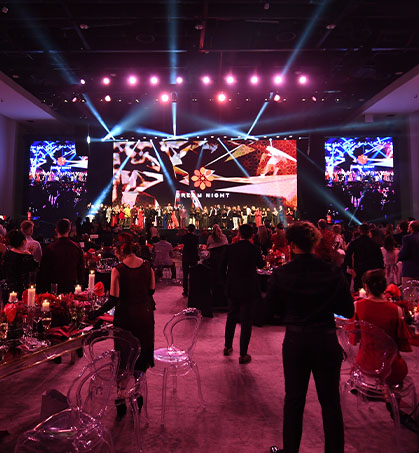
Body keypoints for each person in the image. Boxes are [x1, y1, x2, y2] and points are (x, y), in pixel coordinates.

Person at [267, 221, 354, 453]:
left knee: (294, 400)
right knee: (330, 403)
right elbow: (348, 311)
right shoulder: (333, 272)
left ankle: (290, 450)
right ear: (316, 242)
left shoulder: (282, 273)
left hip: (296, 342)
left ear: (291, 244)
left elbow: (269, 311)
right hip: (326, 341)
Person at [89, 233, 155, 418]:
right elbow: (151, 290)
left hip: (125, 317)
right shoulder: (147, 266)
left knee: (123, 357)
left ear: (120, 251)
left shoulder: (118, 270)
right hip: (145, 317)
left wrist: (96, 313)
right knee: (141, 356)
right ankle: (138, 393)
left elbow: (113, 299)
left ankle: (121, 396)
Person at [351, 269, 411, 385]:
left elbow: (355, 336)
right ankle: (388, 393)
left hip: (365, 363)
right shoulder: (396, 310)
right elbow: (401, 343)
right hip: (390, 366)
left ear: (366, 287)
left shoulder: (357, 306)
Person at [222, 224, 264, 364]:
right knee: (246, 321)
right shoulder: (254, 249)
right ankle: (243, 354)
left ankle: (227, 347)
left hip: (233, 286)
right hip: (249, 288)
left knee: (231, 316)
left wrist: (227, 281)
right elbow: (261, 265)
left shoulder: (230, 248)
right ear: (252, 235)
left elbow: (222, 267)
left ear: (239, 234)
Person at [38, 218, 84, 294]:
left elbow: (44, 271)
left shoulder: (49, 248)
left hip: (54, 287)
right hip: (71, 286)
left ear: (56, 230)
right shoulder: (76, 247)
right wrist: (80, 284)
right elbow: (81, 268)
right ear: (69, 229)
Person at [344, 223, 384, 291]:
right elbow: (379, 256)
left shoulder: (355, 242)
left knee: (359, 286)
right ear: (368, 231)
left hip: (359, 267)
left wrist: (349, 266)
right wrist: (381, 267)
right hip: (371, 267)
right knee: (370, 286)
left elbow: (348, 254)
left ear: (359, 231)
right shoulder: (374, 242)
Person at [1, 229, 38, 299]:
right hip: (23, 292)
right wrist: (30, 254)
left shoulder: (7, 254)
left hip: (8, 289)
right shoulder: (27, 257)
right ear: (24, 242)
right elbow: (34, 269)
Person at [398, 220, 419, 287]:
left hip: (410, 270)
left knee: (408, 294)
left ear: (411, 228)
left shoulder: (407, 238)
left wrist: (399, 255)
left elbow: (403, 254)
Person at [181, 224, 199, 297]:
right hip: (193, 256)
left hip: (186, 256)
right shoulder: (196, 237)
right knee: (194, 274)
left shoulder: (184, 237)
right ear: (194, 230)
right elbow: (196, 247)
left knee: (185, 275)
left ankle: (185, 291)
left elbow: (183, 244)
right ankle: (193, 290)